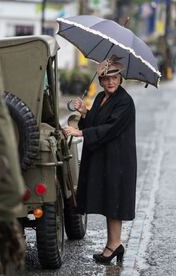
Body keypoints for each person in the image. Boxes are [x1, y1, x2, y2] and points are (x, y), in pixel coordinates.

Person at [63, 55, 137, 264]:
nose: (111, 82)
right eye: (106, 78)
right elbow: (94, 122)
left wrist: (80, 134)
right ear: (101, 81)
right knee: (109, 201)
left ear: (120, 79)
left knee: (115, 202)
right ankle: (114, 244)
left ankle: (113, 246)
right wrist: (84, 112)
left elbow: (109, 128)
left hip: (119, 161)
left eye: (115, 78)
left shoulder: (125, 102)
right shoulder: (100, 98)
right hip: (106, 159)